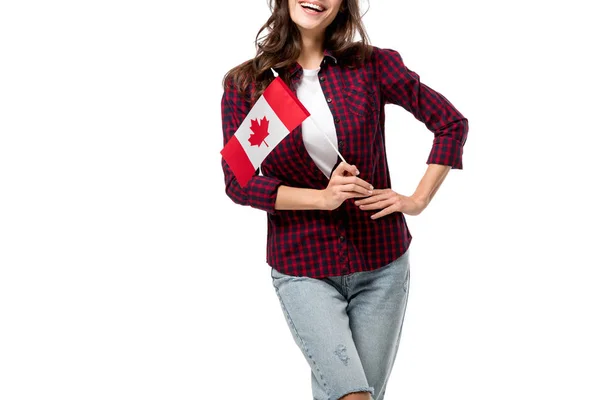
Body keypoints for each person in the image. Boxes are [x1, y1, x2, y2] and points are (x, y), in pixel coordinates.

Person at [220, 1, 468, 399]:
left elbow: (451, 124)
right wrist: (323, 198)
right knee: (353, 396)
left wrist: (418, 200)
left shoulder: (372, 66)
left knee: (352, 394)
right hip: (303, 266)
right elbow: (238, 182)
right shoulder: (248, 84)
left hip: (382, 264)